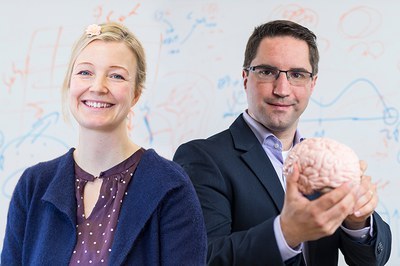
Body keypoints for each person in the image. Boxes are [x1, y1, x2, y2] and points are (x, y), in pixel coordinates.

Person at [173, 20, 391, 265]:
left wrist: (357, 220)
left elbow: (371, 260)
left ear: (312, 84)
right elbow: (201, 257)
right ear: (246, 78)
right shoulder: (202, 158)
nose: (282, 89)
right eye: (267, 72)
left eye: (297, 75)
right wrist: (286, 233)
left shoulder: (325, 161)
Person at [1, 22, 207, 265]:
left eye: (116, 75)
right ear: (70, 84)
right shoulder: (33, 185)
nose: (98, 87)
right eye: (85, 72)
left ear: (136, 94)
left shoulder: (170, 185)